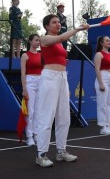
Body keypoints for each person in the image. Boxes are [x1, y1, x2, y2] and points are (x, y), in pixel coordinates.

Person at [34, 14, 89, 167]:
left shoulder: (59, 43)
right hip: (49, 77)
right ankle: (41, 155)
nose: (58, 24)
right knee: (47, 116)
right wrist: (78, 28)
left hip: (62, 78)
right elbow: (62, 37)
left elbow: (61, 41)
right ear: (47, 26)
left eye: (58, 22)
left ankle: (61, 151)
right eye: (54, 22)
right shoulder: (44, 39)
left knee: (64, 117)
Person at [94, 36, 110, 136]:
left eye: (109, 40)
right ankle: (102, 127)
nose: (109, 42)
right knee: (102, 103)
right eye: (107, 40)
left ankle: (107, 125)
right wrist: (100, 83)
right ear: (101, 43)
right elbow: (97, 69)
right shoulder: (99, 54)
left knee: (109, 104)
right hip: (103, 76)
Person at [20, 33, 42, 146]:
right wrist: (24, 88)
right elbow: (23, 73)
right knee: (30, 110)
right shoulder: (25, 55)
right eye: (36, 40)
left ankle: (36, 134)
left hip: (40, 81)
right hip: (30, 82)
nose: (38, 42)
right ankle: (29, 136)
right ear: (30, 41)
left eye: (39, 40)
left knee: (38, 110)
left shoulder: (41, 55)